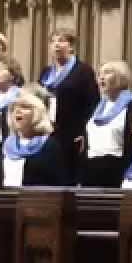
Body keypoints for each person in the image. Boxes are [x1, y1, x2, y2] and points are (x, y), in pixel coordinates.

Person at [38, 28, 99, 184]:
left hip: (72, 133)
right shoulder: (46, 73)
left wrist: (84, 132)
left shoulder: (83, 71)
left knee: (67, 175)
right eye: (53, 41)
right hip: (48, 131)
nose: (57, 45)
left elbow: (92, 103)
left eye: (62, 41)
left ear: (71, 46)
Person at [79, 60, 132, 187]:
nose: (101, 78)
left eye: (107, 73)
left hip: (117, 169)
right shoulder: (97, 107)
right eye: (99, 74)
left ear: (121, 77)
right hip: (91, 169)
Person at [0, 87, 68, 187]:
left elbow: (58, 184)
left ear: (37, 113)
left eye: (24, 107)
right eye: (14, 108)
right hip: (3, 200)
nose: (17, 110)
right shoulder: (5, 145)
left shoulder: (49, 146)